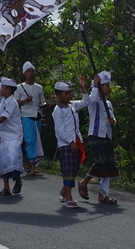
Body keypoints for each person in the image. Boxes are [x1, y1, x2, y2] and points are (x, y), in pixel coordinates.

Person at [77, 71, 119, 205]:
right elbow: (93, 99)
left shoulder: (108, 103)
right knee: (101, 162)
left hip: (106, 136)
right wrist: (95, 86)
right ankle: (84, 182)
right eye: (106, 86)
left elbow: (113, 118)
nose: (109, 88)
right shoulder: (92, 100)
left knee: (109, 165)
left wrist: (113, 121)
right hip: (96, 135)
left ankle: (103, 195)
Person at [52, 79, 86, 208]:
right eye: (65, 93)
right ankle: (68, 197)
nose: (68, 96)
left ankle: (64, 191)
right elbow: (59, 130)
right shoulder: (57, 110)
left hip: (76, 141)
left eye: (69, 93)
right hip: (66, 144)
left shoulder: (72, 106)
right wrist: (70, 142)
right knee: (68, 170)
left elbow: (86, 101)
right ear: (58, 95)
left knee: (74, 168)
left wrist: (83, 88)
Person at [15, 61, 45, 176]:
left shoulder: (39, 87)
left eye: (32, 71)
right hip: (26, 115)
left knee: (37, 140)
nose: (31, 73)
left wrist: (42, 106)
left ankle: (31, 164)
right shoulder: (19, 87)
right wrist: (25, 101)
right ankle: (32, 166)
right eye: (28, 71)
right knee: (29, 140)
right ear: (24, 73)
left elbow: (41, 101)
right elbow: (15, 102)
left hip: (37, 115)